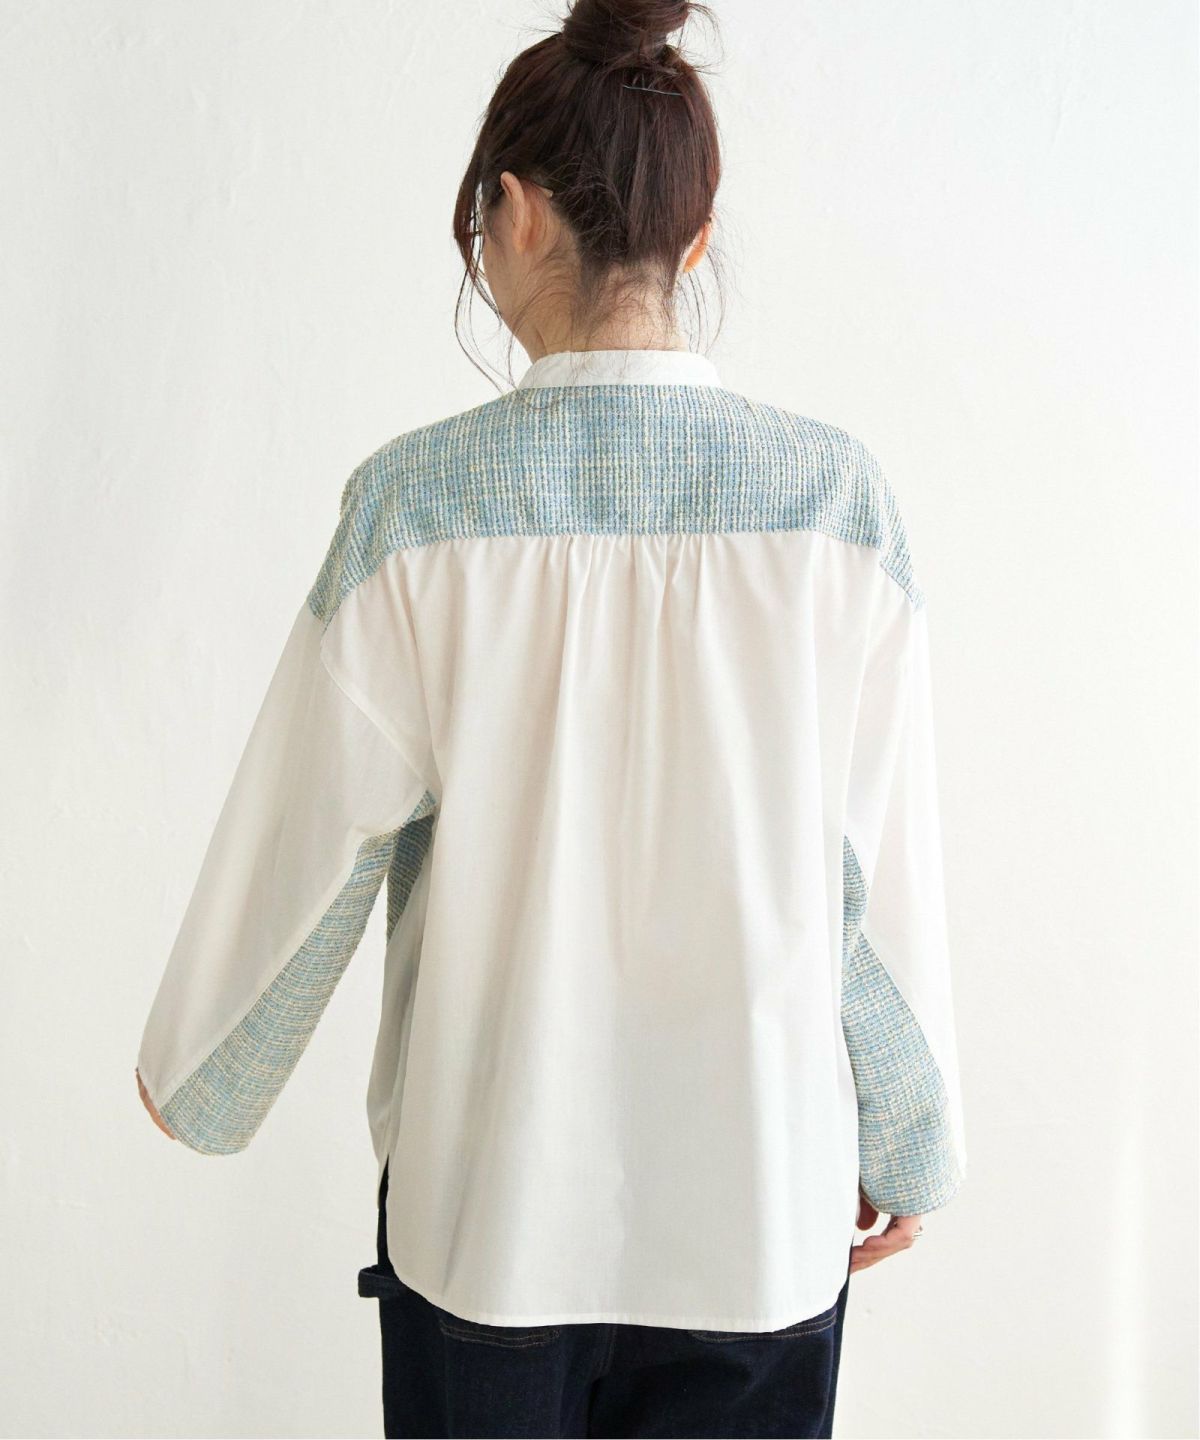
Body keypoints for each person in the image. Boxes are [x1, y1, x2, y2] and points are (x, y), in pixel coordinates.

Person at [134, 0, 967, 1434]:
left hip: (490, 1219)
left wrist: (199, 1071)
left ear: (513, 212)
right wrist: (912, 1139)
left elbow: (318, 837)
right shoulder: (839, 507)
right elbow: (870, 884)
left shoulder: (414, 508)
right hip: (758, 1217)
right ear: (696, 239)